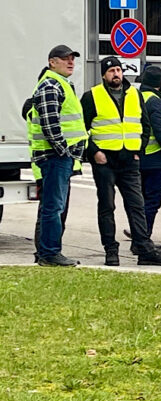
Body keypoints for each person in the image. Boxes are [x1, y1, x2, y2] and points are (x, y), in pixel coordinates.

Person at [81, 56, 161, 267]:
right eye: (111, 71)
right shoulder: (92, 96)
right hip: (105, 160)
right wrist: (93, 152)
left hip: (129, 159)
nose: (116, 74)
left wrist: (138, 150)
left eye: (118, 70)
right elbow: (81, 129)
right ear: (104, 74)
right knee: (107, 206)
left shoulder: (134, 94)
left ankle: (144, 249)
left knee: (136, 205)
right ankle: (111, 250)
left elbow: (145, 124)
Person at [26, 46, 87, 267]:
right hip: (55, 157)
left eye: (72, 58)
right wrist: (64, 152)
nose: (70, 62)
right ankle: (50, 253)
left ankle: (47, 252)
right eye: (64, 59)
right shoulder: (51, 85)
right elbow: (51, 125)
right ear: (52, 62)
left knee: (52, 206)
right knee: (54, 207)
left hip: (58, 157)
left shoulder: (60, 84)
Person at [138, 66, 161, 237]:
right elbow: (160, 130)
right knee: (151, 202)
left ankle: (139, 237)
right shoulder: (154, 100)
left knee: (140, 201)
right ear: (160, 83)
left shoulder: (136, 97)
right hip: (155, 158)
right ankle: (144, 239)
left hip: (137, 156)